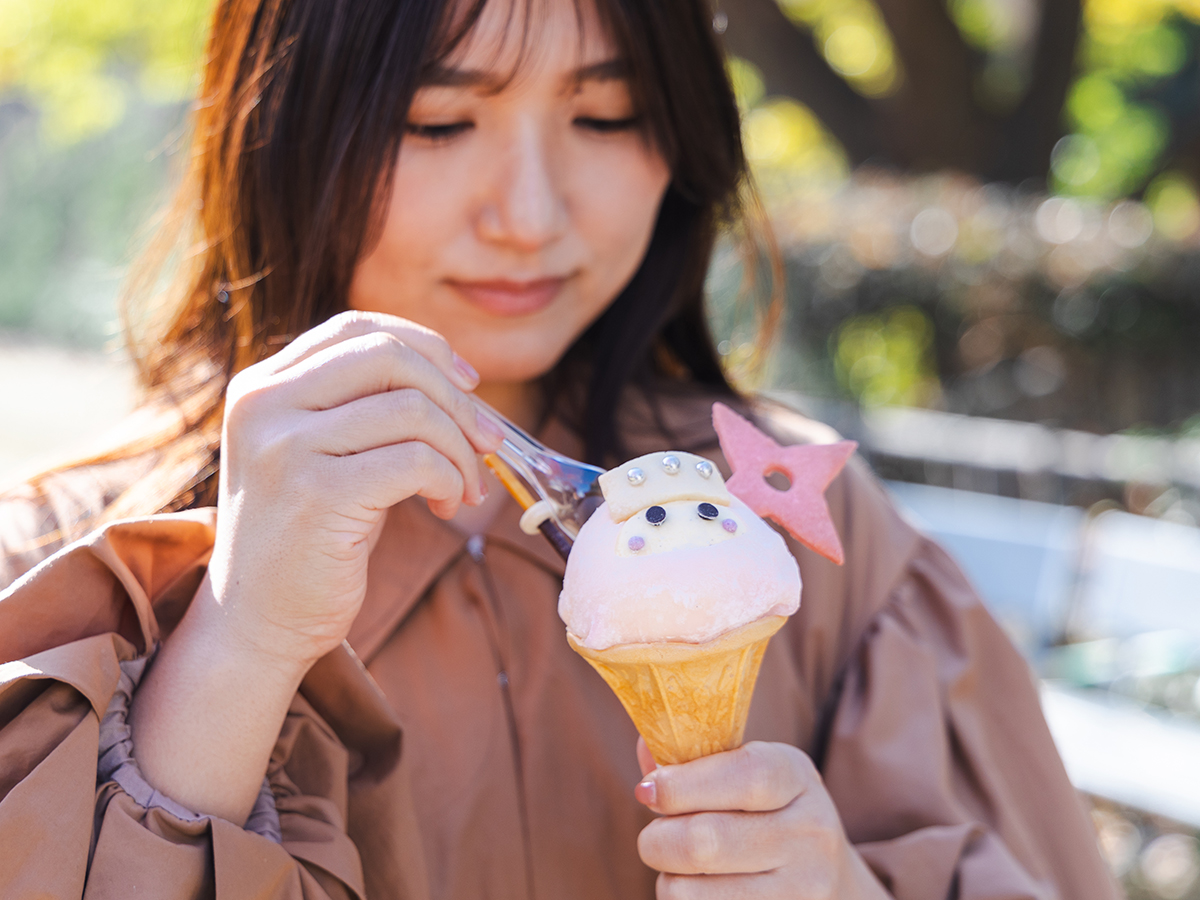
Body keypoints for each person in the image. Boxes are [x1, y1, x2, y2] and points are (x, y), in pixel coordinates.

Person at [0, 0, 1119, 898]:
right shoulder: (68, 574)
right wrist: (240, 639)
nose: (531, 214)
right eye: (437, 121)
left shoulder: (801, 521)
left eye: (609, 113)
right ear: (276, 125)